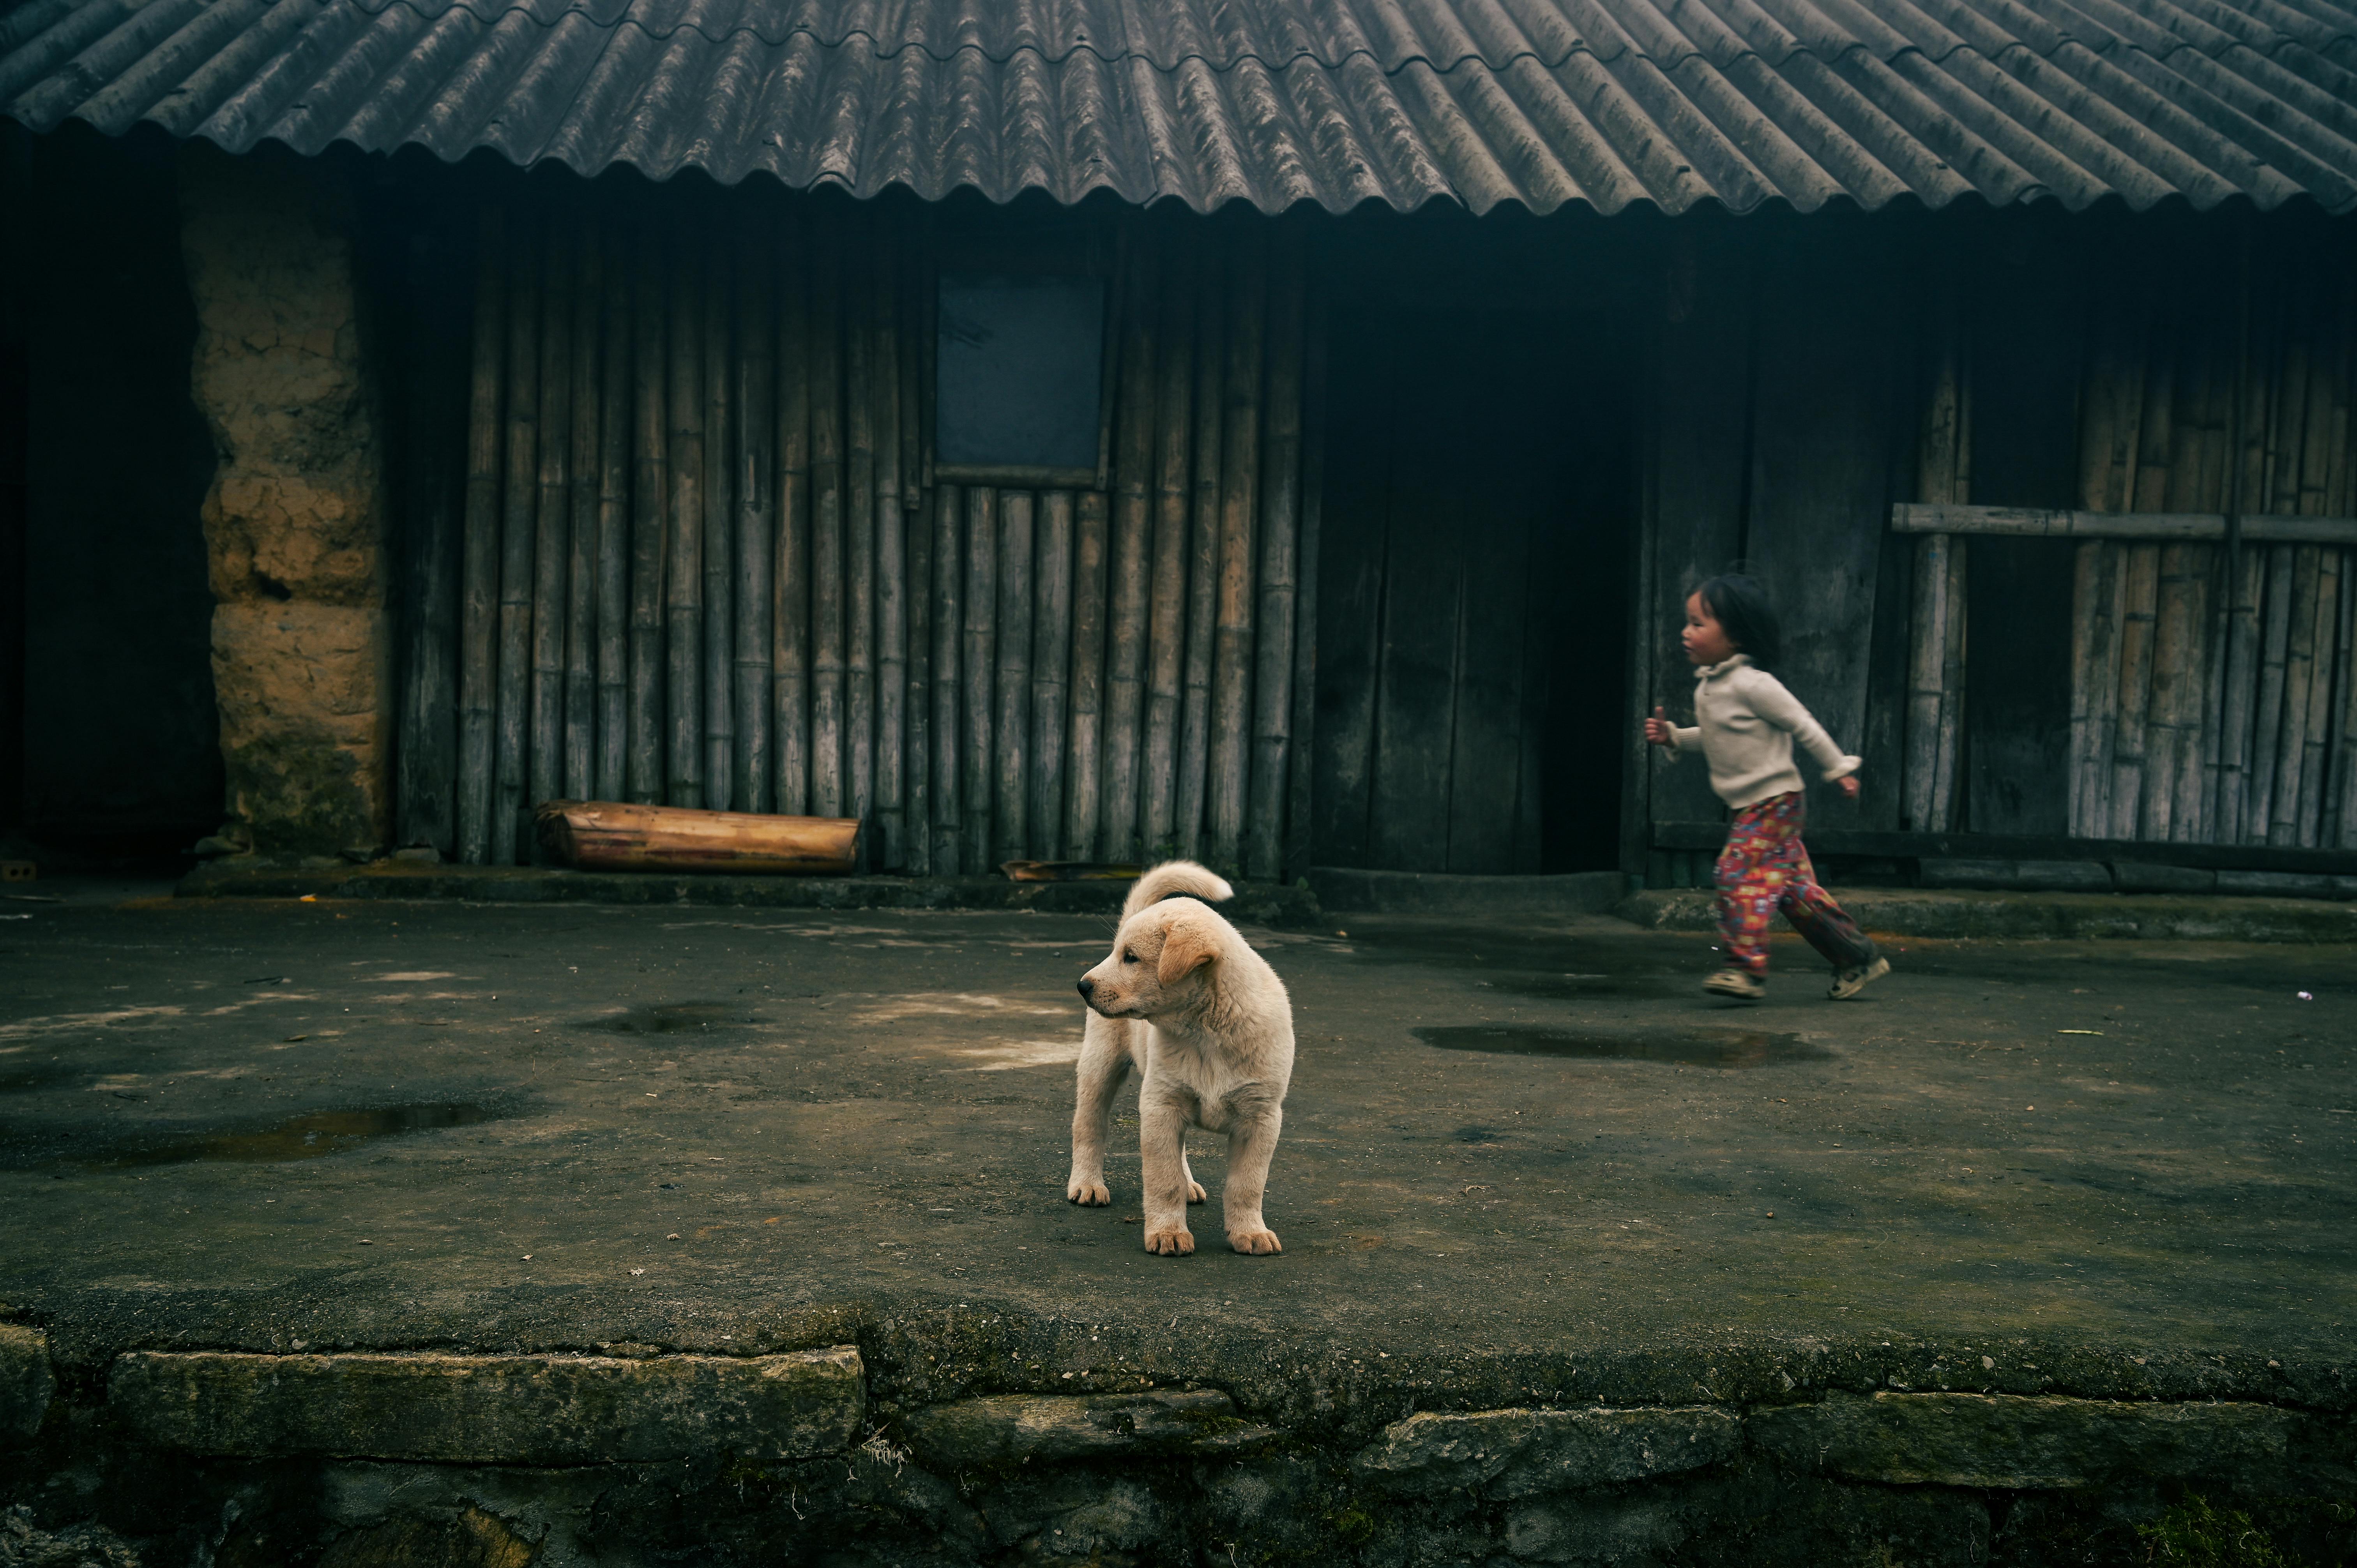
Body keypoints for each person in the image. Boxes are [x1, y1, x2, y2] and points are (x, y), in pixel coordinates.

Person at [1641, 574, 1889, 1003]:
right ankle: (1858, 957)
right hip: (1754, 807)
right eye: (1688, 622)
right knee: (1794, 893)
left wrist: (1838, 769)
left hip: (1776, 802)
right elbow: (1716, 736)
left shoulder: (1755, 684)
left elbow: (1803, 724)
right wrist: (1675, 737)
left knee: (1735, 872)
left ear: (1736, 636)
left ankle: (1745, 969)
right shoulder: (1710, 688)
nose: (1686, 632)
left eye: (1698, 623)